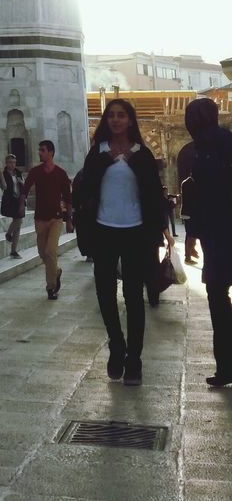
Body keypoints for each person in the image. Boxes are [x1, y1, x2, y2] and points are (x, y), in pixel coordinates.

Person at [77, 98, 172, 386]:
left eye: (121, 115)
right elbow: (84, 190)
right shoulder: (98, 153)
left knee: (133, 296)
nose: (116, 120)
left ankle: (134, 359)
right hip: (104, 230)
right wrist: (105, 164)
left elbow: (154, 197)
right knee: (105, 293)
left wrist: (163, 231)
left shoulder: (142, 155)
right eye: (111, 116)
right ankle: (116, 345)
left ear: (130, 120)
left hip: (135, 232)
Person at [183, 97, 232, 387]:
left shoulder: (212, 146)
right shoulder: (212, 144)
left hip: (220, 234)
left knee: (217, 296)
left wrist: (194, 231)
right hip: (217, 234)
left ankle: (226, 366)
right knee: (217, 295)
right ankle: (225, 366)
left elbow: (205, 193)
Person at [22, 140, 73, 300]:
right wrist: (20, 204)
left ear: (50, 152)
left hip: (56, 219)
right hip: (40, 218)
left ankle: (51, 287)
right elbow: (25, 188)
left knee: (51, 251)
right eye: (39, 150)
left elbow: (68, 197)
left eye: (42, 150)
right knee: (43, 253)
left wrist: (70, 219)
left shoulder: (60, 173)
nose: (40, 153)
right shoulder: (36, 171)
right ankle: (56, 271)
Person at [177, 139, 200, 265]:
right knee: (190, 233)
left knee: (190, 233)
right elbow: (194, 199)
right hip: (191, 213)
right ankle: (188, 256)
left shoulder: (185, 182)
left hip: (186, 212)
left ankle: (191, 253)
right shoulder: (192, 183)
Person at [0, 154, 25, 258]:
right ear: (6, 163)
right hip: (10, 200)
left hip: (20, 200)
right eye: (10, 162)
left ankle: (13, 251)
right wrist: (0, 175)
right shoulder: (4, 173)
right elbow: (4, 187)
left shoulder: (18, 172)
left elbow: (24, 184)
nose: (12, 164)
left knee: (18, 226)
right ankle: (9, 234)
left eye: (14, 162)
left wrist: (21, 181)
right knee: (19, 221)